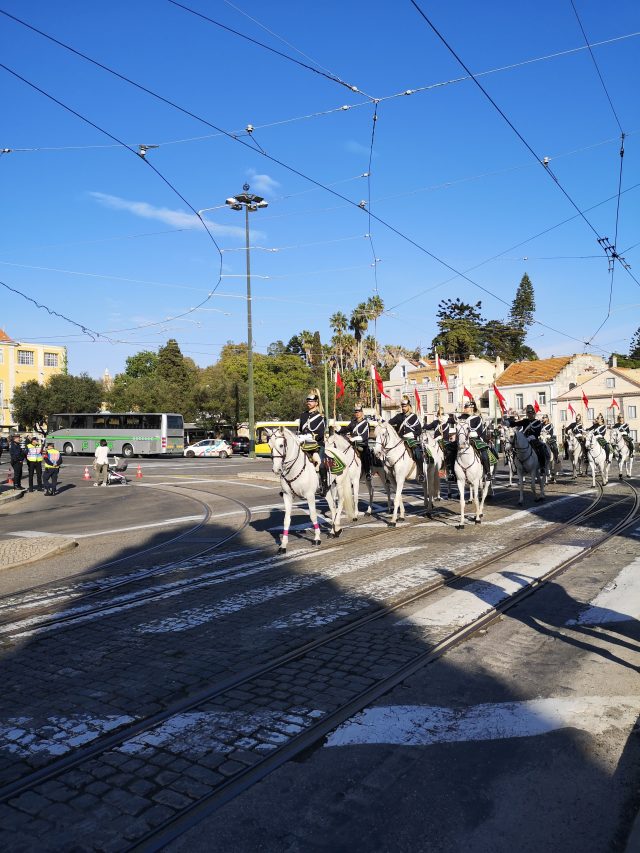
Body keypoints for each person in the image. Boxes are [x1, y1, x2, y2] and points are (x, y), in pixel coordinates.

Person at [298, 389, 327, 495]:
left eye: (311, 401)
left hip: (317, 444)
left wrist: (308, 437)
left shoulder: (321, 417)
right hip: (304, 444)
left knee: (320, 463)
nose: (309, 403)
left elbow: (320, 433)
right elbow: (301, 430)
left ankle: (324, 485)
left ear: (316, 403)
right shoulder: (303, 415)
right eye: (308, 401)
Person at [459, 399, 492, 478]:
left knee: (484, 452)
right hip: (464, 439)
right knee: (452, 449)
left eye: (466, 407)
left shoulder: (477, 418)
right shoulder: (462, 417)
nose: (464, 409)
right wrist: (442, 418)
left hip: (475, 439)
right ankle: (451, 472)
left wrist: (468, 430)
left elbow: (478, 429)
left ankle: (487, 472)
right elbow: (454, 421)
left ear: (471, 408)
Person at [512, 404, 548, 473]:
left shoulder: (537, 422)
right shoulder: (525, 421)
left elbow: (537, 432)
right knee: (515, 449)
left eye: (530, 413)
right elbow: (516, 424)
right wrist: (509, 423)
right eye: (528, 413)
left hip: (534, 439)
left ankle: (542, 466)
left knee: (541, 449)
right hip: (525, 440)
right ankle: (516, 466)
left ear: (533, 414)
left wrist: (531, 437)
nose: (529, 414)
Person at [339, 402, 372, 478]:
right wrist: (338, 429)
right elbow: (346, 429)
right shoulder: (353, 422)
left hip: (362, 444)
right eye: (356, 412)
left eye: (358, 412)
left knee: (365, 453)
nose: (357, 413)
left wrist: (354, 438)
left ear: (362, 413)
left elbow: (365, 436)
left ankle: (367, 472)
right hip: (353, 444)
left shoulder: (365, 423)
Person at [389, 396, 423, 465]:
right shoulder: (399, 416)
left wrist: (412, 434)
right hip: (400, 440)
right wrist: (381, 420)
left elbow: (419, 431)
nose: (403, 408)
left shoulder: (414, 417)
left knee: (417, 451)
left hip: (411, 440)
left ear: (409, 406)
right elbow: (389, 422)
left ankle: (421, 472)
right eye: (402, 407)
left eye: (405, 406)